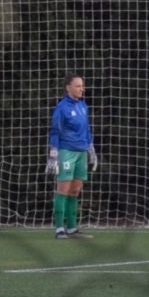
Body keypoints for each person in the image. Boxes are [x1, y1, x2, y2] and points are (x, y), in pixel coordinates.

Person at [46, 75, 96, 236]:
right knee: (63, 189)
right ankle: (59, 228)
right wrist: (54, 154)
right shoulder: (62, 107)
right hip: (66, 151)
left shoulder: (83, 105)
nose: (82, 89)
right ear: (68, 87)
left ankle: (72, 227)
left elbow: (86, 129)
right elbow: (55, 131)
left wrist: (91, 148)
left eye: (82, 86)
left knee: (75, 190)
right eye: (78, 86)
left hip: (81, 152)